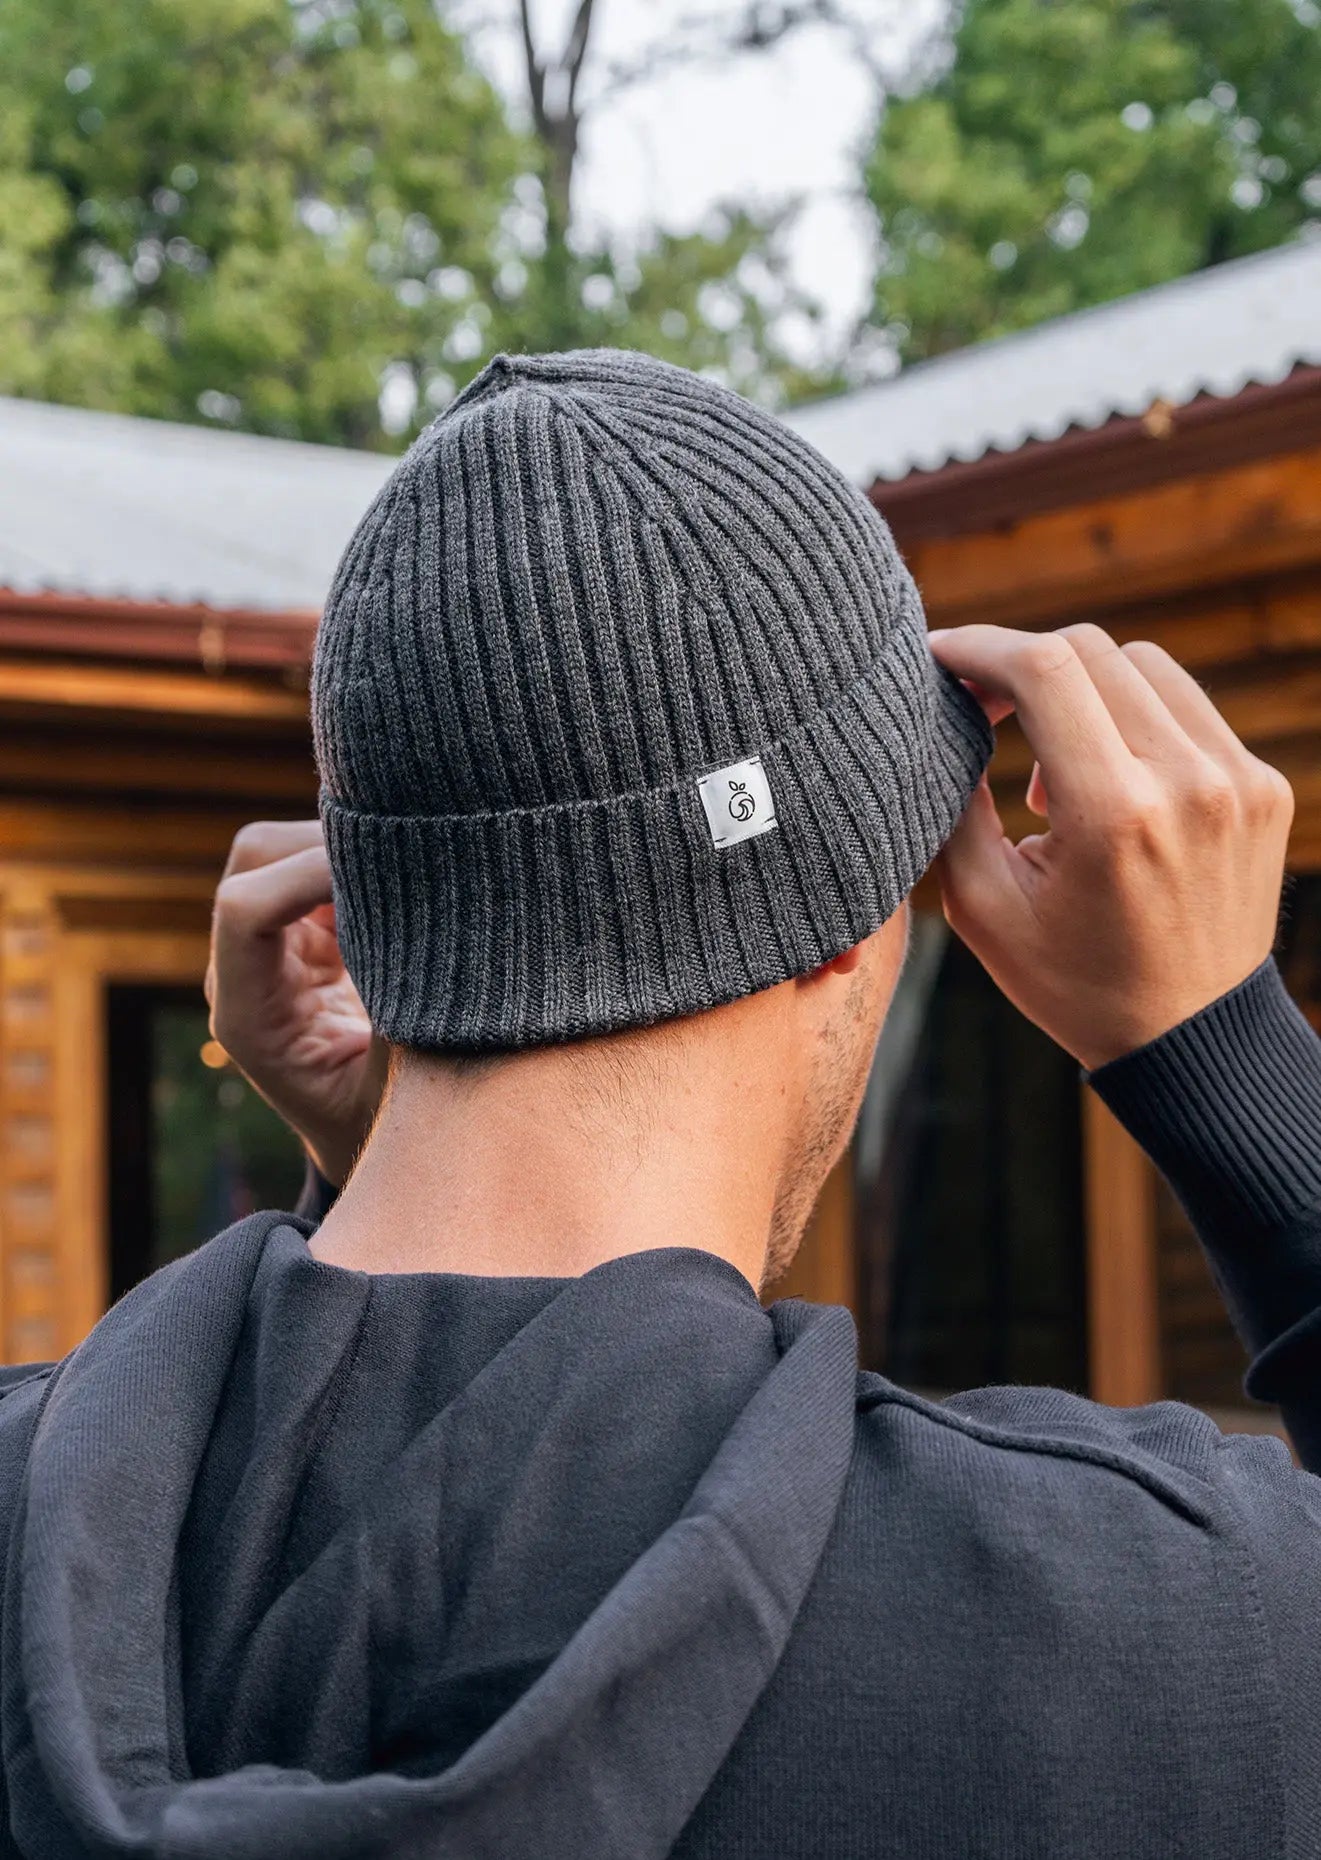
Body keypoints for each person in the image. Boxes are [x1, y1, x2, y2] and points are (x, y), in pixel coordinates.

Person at [0, 350, 1316, 1860]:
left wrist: (366, 1203)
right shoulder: (1166, 1636)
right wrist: (1228, 1058)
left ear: (374, 926)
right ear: (847, 916)